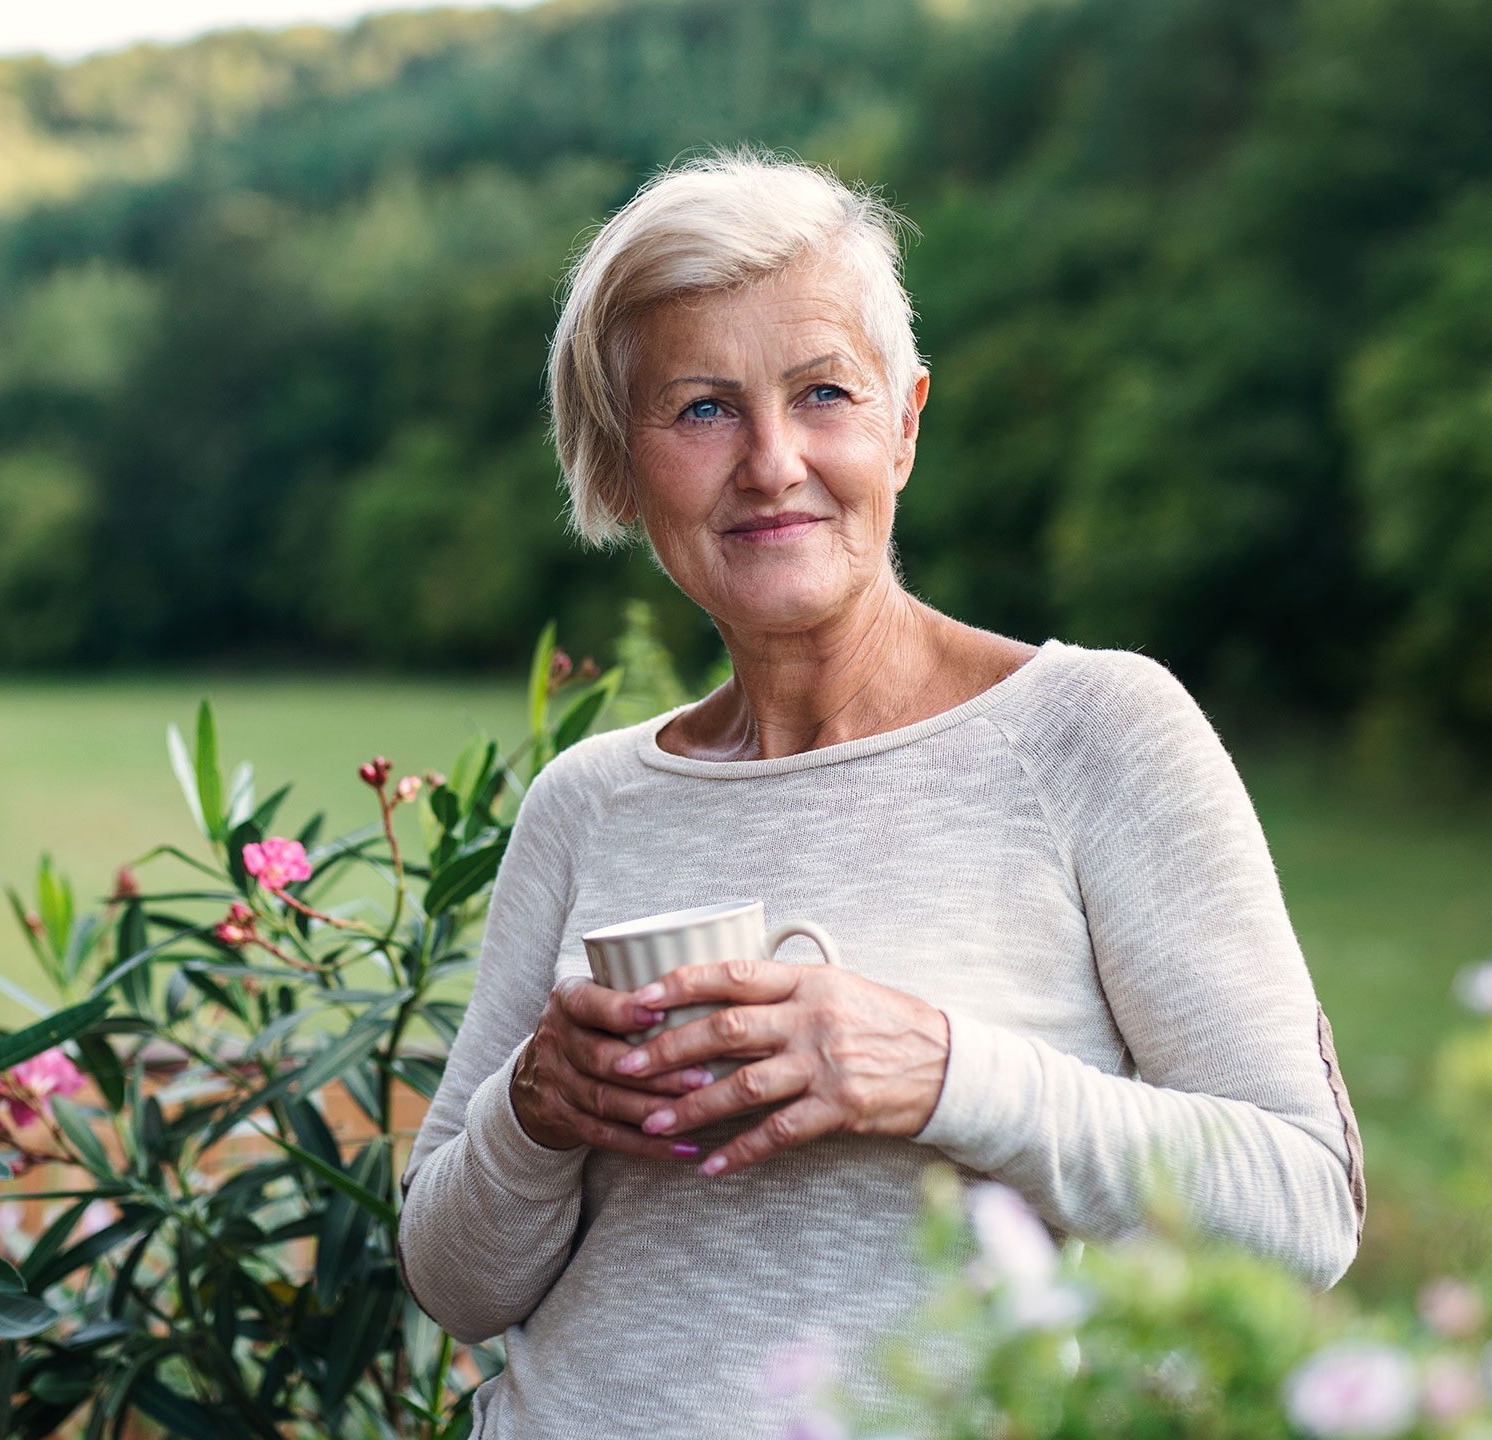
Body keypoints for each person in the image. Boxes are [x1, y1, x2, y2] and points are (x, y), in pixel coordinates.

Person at [395, 152, 1366, 1438]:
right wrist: (535, 1108)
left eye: (822, 394)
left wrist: (943, 1072)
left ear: (903, 424)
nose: (771, 462)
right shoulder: (588, 803)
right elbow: (457, 1281)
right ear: (622, 473)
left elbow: (1302, 1213)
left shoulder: (1093, 732)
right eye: (699, 409)